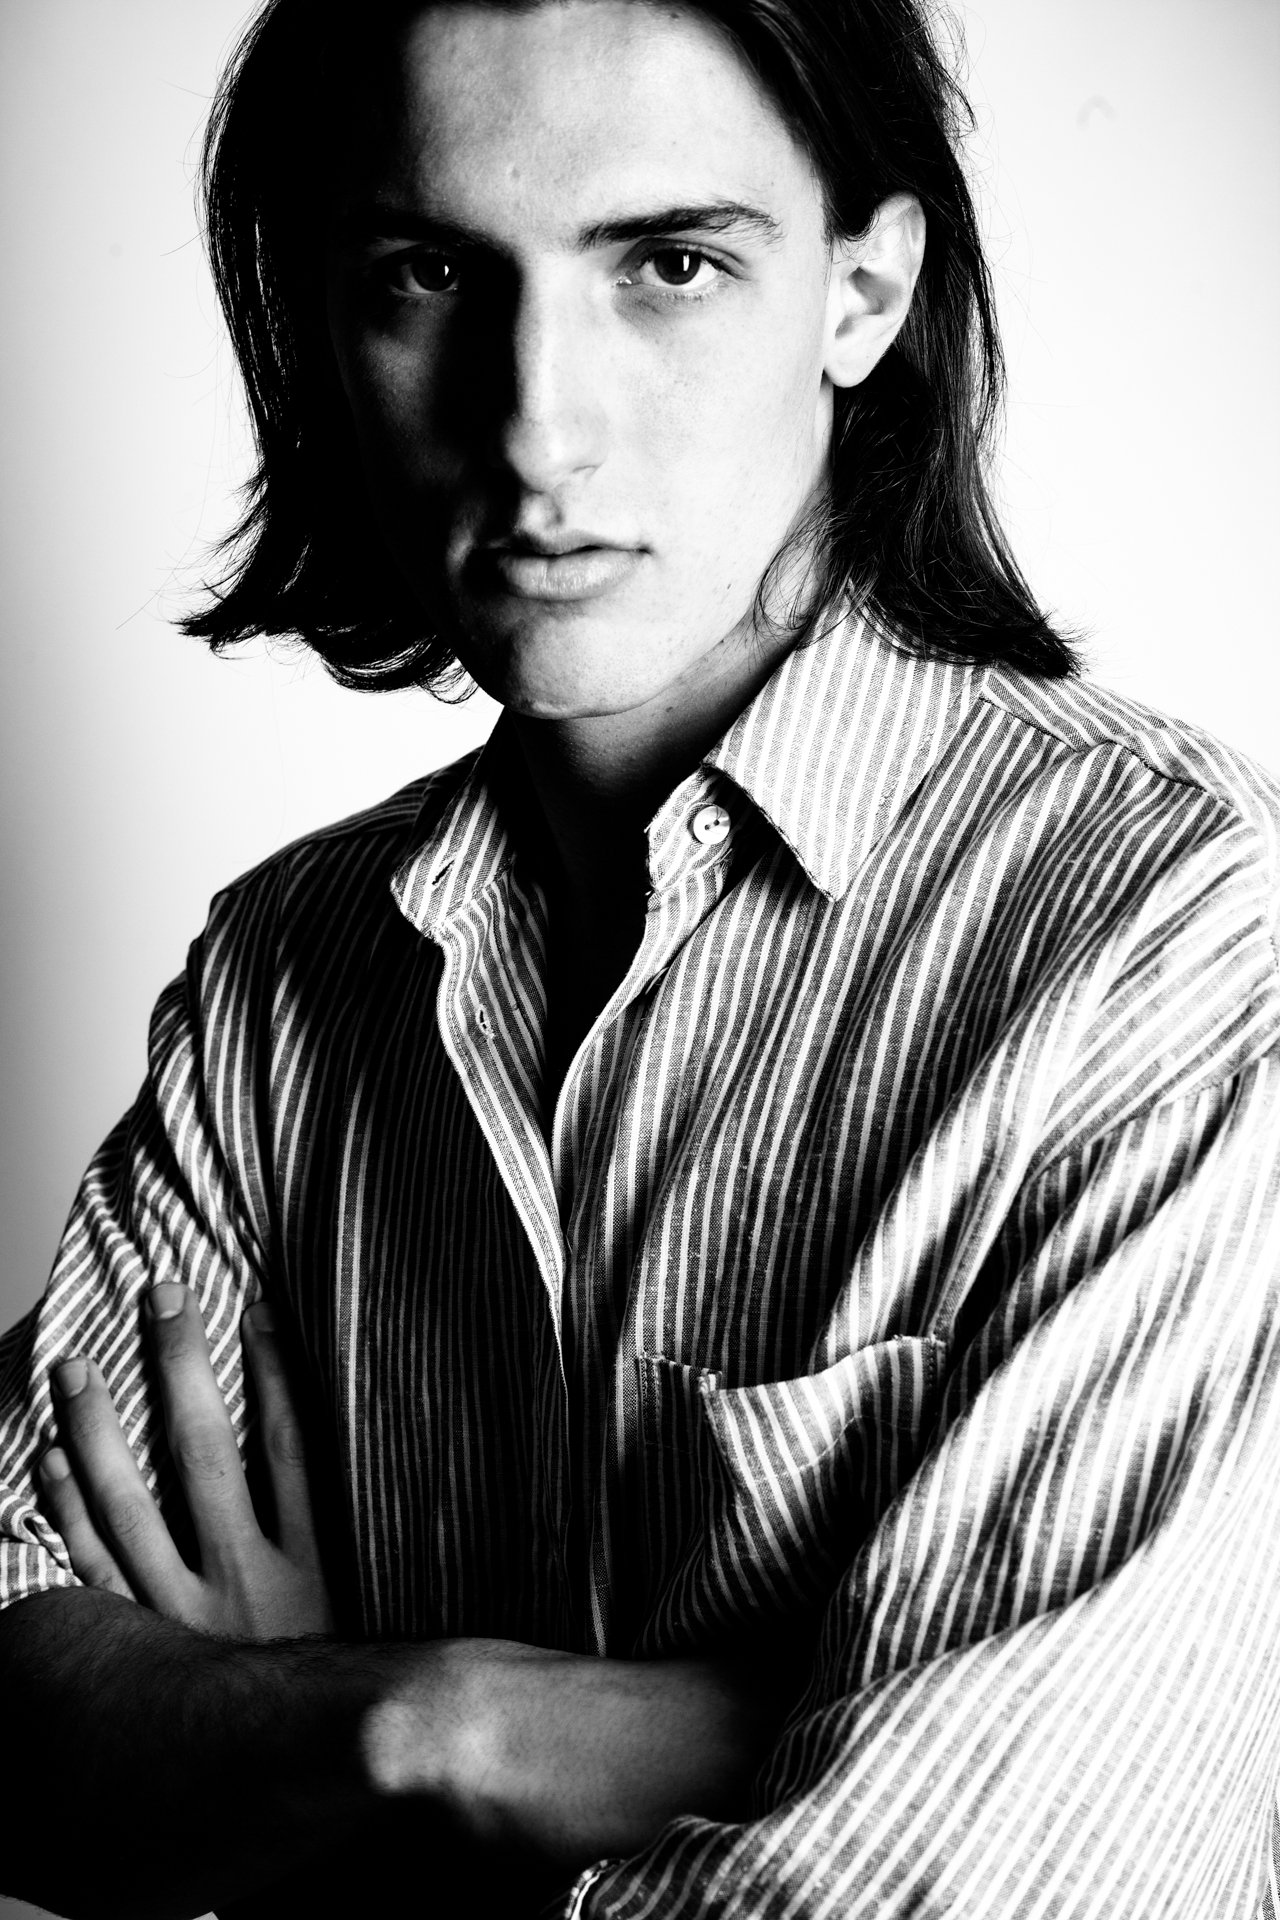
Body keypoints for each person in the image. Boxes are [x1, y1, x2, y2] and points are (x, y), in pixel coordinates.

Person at [1, 1, 1278, 1915]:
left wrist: (284, 1787)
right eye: (430, 273)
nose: (538, 427)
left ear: (862, 294)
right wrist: (431, 1726)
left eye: (669, 265)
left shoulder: (1168, 936)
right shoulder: (287, 972)